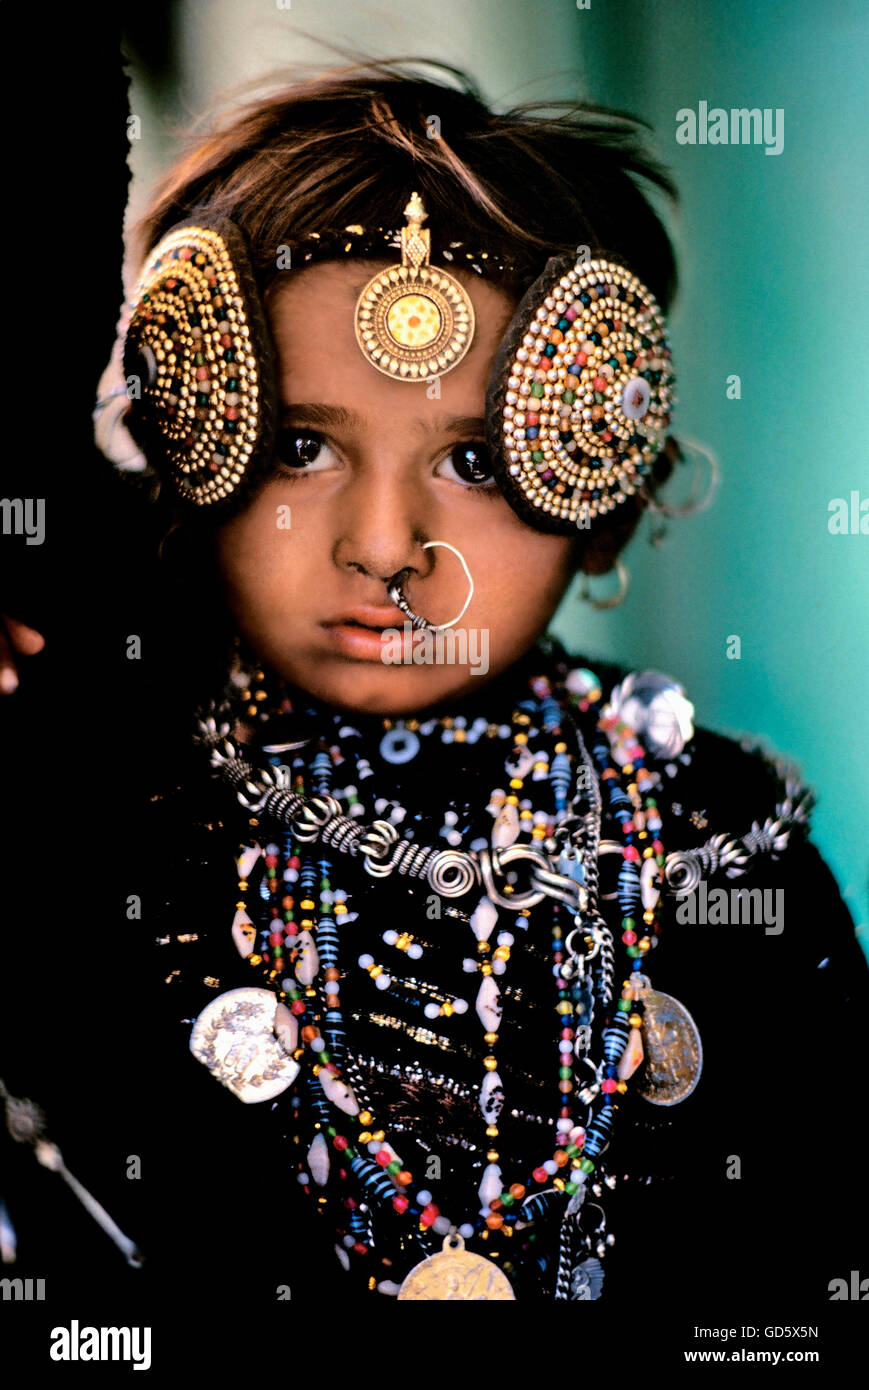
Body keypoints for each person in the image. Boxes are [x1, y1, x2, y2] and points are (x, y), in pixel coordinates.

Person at [5, 59, 867, 1311]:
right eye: (301, 446)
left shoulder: (717, 841)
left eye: (471, 457)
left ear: (601, 482)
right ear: (195, 446)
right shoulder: (92, 773)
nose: (385, 543)